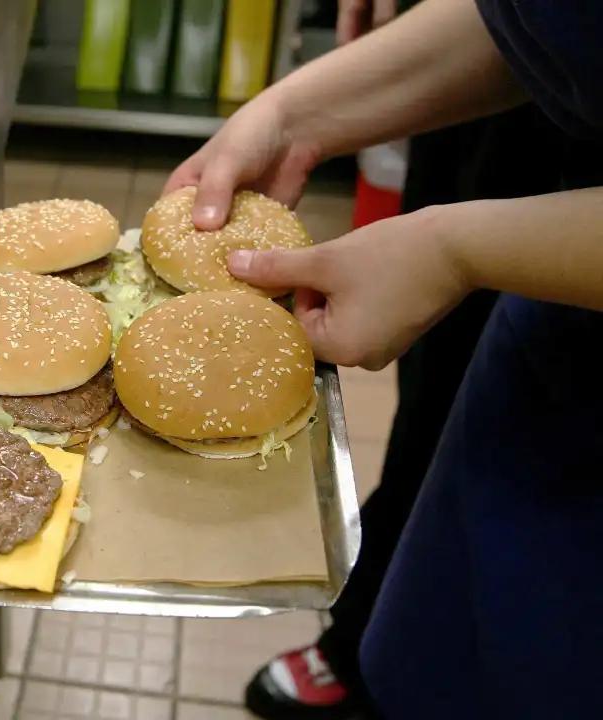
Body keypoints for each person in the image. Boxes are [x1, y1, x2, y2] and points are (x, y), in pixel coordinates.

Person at [165, 0, 603, 717]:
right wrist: (294, 115)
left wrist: (460, 251)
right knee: (434, 622)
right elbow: (548, 22)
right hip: (546, 346)